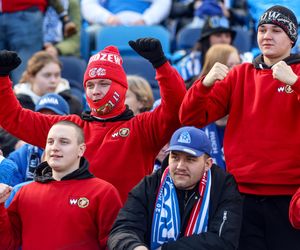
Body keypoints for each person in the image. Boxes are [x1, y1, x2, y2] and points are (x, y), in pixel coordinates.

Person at [0, 38, 186, 203]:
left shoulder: (143, 127)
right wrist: (1, 79)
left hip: (126, 232)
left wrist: (161, 65)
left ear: (121, 87)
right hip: (76, 228)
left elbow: (177, 106)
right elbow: (13, 117)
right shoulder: (69, 128)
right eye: (90, 85)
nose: (95, 91)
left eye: (104, 84)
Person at [179, 5, 300, 250]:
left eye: (276, 30)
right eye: (262, 29)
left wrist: (295, 83)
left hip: (290, 197)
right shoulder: (240, 75)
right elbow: (190, 117)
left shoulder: (297, 73)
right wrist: (204, 84)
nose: (267, 36)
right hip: (241, 194)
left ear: (291, 38)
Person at [108, 126, 242, 249]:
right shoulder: (150, 185)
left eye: (190, 159)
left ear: (207, 164)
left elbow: (224, 240)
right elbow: (122, 230)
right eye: (175, 157)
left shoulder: (223, 187)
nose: (180, 166)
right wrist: (135, 247)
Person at [0, 120, 122, 249]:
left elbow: (114, 243)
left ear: (81, 150)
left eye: (64, 142)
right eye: (50, 142)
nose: (55, 147)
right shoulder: (24, 192)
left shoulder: (103, 192)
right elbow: (7, 244)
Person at [174, 15, 236, 82]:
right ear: (206, 39)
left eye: (227, 36)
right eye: (218, 35)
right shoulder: (190, 63)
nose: (224, 40)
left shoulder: (243, 59)